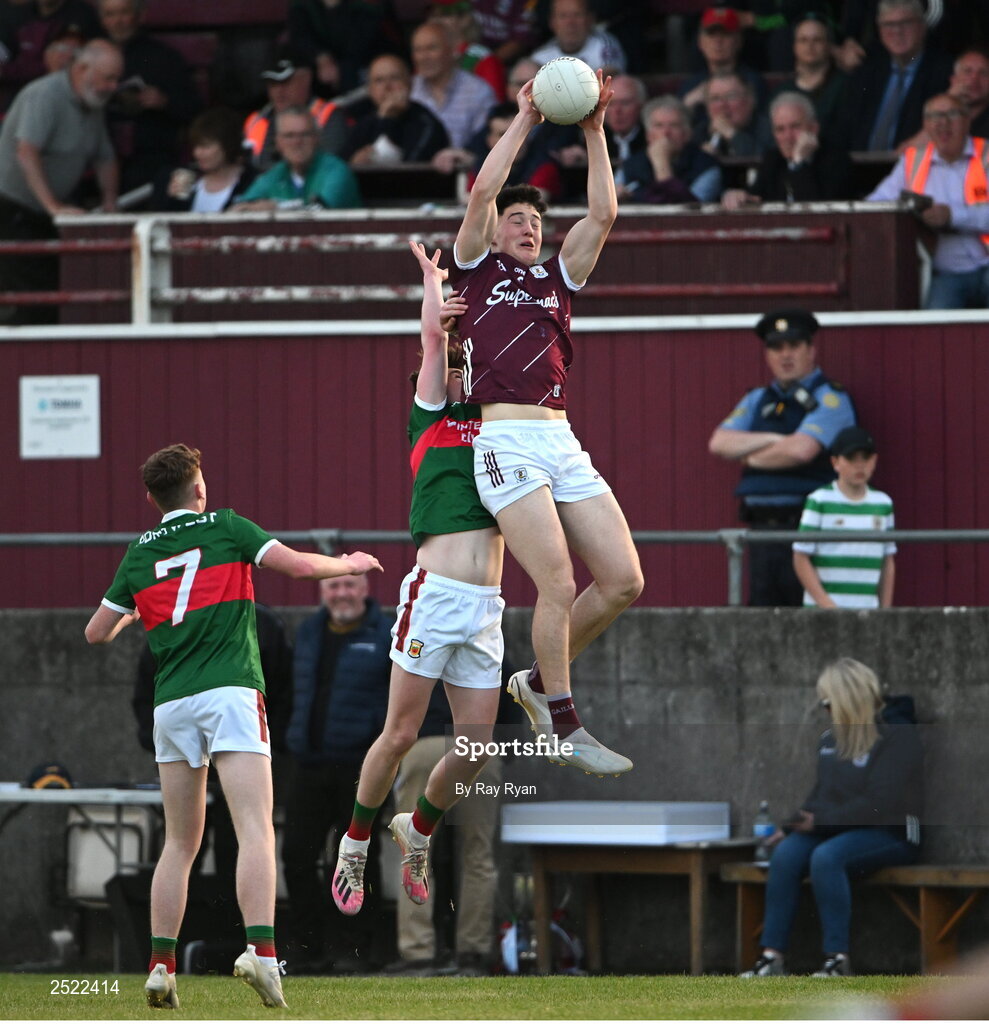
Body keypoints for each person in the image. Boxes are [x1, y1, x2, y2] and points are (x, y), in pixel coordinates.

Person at [83, 442, 382, 1010]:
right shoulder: (226, 526)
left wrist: (137, 610)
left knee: (179, 842)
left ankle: (161, 965)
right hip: (230, 693)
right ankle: (262, 954)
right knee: (255, 828)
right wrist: (349, 564)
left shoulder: (136, 555)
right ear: (199, 489)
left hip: (172, 704)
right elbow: (295, 565)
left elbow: (97, 632)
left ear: (151, 498)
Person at [447, 74, 644, 774]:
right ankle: (562, 723)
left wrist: (593, 130)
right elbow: (480, 193)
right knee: (555, 584)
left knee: (623, 580)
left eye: (535, 220)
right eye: (516, 219)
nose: (528, 226)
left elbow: (604, 214)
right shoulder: (473, 271)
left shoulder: (557, 279)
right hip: (502, 440)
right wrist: (526, 118)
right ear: (493, 231)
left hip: (559, 439)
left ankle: (533, 682)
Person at [329, 242, 506, 963]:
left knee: (474, 748)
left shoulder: (503, 427)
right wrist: (433, 286)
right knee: (400, 735)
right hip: (434, 595)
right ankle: (357, 840)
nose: (458, 366)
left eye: (466, 362)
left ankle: (418, 831)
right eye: (450, 362)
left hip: (487, 606)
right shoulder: (430, 418)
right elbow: (434, 339)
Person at [740, 658, 922, 978]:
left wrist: (821, 822)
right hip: (838, 828)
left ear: (846, 699)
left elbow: (881, 803)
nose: (824, 710)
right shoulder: (831, 738)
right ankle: (772, 958)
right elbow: (822, 795)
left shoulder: (897, 734)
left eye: (827, 702)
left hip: (891, 833)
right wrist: (790, 826)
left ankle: (837, 959)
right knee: (787, 854)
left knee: (826, 857)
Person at [281, 572, 395, 972]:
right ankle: (309, 947)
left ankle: (356, 949)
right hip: (307, 766)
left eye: (350, 586)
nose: (342, 593)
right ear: (323, 591)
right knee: (295, 856)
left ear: (365, 591)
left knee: (357, 860)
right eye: (334, 586)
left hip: (360, 769)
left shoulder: (385, 633)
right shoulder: (309, 632)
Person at [708, 308, 856, 607]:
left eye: (794, 345)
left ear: (811, 350)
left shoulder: (831, 397)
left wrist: (749, 457)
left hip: (810, 529)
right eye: (776, 347)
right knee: (760, 617)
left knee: (807, 617)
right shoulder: (757, 399)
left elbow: (801, 451)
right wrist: (776, 439)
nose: (785, 355)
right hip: (761, 532)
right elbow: (720, 442)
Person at [0, 39, 120, 326]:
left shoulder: (93, 102)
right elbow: (26, 152)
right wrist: (54, 206)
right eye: (108, 78)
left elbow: (105, 157)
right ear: (81, 70)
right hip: (10, 209)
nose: (113, 87)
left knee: (50, 291)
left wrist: (110, 203)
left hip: (42, 214)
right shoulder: (44, 95)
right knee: (31, 295)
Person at [865, 92, 989, 310]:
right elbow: (875, 204)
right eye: (933, 116)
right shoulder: (912, 161)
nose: (942, 123)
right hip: (945, 274)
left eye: (951, 114)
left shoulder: (986, 154)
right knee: (935, 330)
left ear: (968, 120)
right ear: (925, 125)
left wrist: (952, 216)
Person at [98, 0, 201, 195]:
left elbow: (195, 109)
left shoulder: (163, 57)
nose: (118, 21)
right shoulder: (91, 57)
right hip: (99, 159)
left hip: (154, 162)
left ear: (140, 15)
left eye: (124, 13)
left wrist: (164, 101)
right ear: (102, 20)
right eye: (110, 15)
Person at [792, 426, 896, 609]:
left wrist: (885, 612)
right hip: (822, 613)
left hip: (868, 611)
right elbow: (800, 557)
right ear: (835, 462)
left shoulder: (883, 504)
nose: (859, 465)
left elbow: (887, 561)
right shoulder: (819, 500)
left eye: (865, 458)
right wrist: (827, 605)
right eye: (851, 458)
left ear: (875, 460)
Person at [838, 0, 952, 153]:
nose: (897, 31)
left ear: (922, 27)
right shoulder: (865, 74)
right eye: (888, 24)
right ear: (879, 30)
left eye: (906, 23)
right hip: (861, 170)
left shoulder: (944, 74)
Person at [721, 91, 853, 209]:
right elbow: (756, 196)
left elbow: (814, 211)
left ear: (814, 128)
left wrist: (799, 164)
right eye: (780, 129)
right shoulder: (773, 159)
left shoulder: (836, 159)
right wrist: (737, 195)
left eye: (795, 127)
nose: (788, 137)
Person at [232, 106, 361, 212]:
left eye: (305, 134)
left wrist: (275, 207)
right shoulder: (276, 174)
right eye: (289, 136)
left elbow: (318, 213)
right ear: (278, 143)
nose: (297, 142)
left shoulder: (336, 170)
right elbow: (240, 208)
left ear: (317, 138)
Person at [242, 48, 346, 172]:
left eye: (286, 82)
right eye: (272, 84)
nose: (278, 91)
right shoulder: (254, 121)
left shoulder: (328, 115)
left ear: (306, 79)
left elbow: (329, 166)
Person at [341, 54, 449, 167]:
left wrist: (388, 120)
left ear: (410, 84)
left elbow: (408, 170)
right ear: (370, 90)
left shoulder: (426, 123)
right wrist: (354, 163)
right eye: (379, 80)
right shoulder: (365, 122)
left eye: (394, 78)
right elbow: (340, 165)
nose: (387, 86)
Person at [410, 20, 497, 150]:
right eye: (418, 50)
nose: (423, 57)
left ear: (453, 50)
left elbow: (486, 144)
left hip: (465, 169)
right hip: (412, 169)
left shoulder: (478, 91)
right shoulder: (408, 90)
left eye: (431, 48)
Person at [150, 107, 256, 213]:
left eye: (206, 146)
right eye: (195, 146)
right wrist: (172, 200)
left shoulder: (252, 182)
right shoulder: (188, 177)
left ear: (228, 145)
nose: (197, 153)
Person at [619, 95, 722, 204]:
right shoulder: (631, 164)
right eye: (659, 126)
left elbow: (691, 212)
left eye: (674, 125)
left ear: (687, 134)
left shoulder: (706, 166)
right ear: (649, 135)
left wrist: (662, 164)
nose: (666, 133)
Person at [285, 0, 401, 96]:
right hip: (319, 74)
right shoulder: (301, 5)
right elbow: (300, 36)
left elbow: (364, 41)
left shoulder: (370, 4)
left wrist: (340, 68)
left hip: (361, 73)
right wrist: (321, 57)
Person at [678, 7, 766, 130]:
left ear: (739, 41)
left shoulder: (752, 81)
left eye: (725, 34)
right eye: (711, 34)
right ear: (700, 42)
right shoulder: (690, 85)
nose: (718, 41)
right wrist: (687, 105)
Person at [0, 0, 101, 100]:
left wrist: (9, 71)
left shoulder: (81, 14)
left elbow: (58, 66)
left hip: (61, 95)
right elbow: (5, 54)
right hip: (15, 96)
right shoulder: (19, 13)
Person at [770, 14, 848, 143]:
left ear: (829, 45)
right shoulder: (781, 92)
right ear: (794, 46)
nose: (810, 45)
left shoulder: (845, 86)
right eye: (803, 40)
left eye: (817, 39)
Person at [427, 0, 506, 102]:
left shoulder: (484, 60)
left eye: (444, 14)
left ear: (465, 19)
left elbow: (494, 106)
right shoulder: (427, 56)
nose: (435, 22)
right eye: (432, 15)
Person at [530, 0, 627, 76]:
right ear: (552, 22)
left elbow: (610, 76)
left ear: (590, 19)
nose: (570, 23)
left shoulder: (604, 43)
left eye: (577, 15)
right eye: (563, 16)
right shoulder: (540, 56)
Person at [695, 71, 769, 158]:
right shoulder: (700, 134)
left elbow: (767, 159)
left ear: (750, 99)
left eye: (731, 96)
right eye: (715, 98)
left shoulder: (770, 129)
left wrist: (732, 135)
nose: (722, 105)